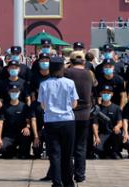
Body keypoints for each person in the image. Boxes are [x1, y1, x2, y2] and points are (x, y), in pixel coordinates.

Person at [38, 56, 79, 187]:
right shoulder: (69, 83)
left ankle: (56, 182)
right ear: (62, 68)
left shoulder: (43, 84)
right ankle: (68, 181)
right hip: (67, 121)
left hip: (50, 121)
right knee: (68, 154)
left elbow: (42, 105)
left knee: (54, 154)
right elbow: (74, 104)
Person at [65, 51, 94, 183]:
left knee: (68, 147)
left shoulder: (67, 72)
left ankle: (68, 173)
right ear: (83, 62)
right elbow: (95, 85)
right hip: (85, 114)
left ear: (71, 61)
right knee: (81, 146)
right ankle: (80, 175)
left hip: (69, 114)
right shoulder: (89, 73)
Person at [0, 83, 32, 159]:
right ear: (9, 93)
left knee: (27, 137)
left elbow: (28, 121)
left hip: (21, 134)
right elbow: (1, 122)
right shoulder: (4, 107)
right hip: (9, 136)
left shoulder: (24, 106)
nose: (14, 93)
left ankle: (22, 152)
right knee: (0, 148)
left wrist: (27, 127)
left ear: (19, 93)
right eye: (12, 91)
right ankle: (13, 151)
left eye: (16, 92)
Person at [92, 85, 123, 159]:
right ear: (101, 94)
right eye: (104, 93)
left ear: (112, 94)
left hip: (113, 133)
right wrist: (96, 137)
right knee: (97, 149)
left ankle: (115, 151)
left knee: (118, 133)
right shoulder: (97, 108)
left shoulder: (116, 108)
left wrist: (117, 126)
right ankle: (107, 151)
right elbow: (95, 124)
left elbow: (120, 122)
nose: (106, 94)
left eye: (108, 93)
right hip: (102, 134)